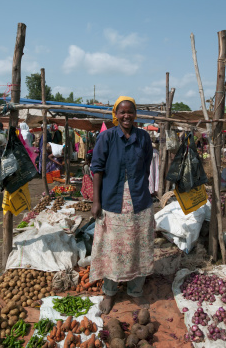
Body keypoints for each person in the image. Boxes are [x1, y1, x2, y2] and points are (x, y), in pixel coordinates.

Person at [89, 96, 154, 314]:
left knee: (138, 248)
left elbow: (145, 168)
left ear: (135, 115)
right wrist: (96, 201)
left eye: (130, 112)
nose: (126, 116)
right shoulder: (106, 137)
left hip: (139, 202)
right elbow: (97, 169)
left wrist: (138, 188)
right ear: (116, 115)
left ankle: (135, 291)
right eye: (122, 112)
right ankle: (109, 292)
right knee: (111, 250)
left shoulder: (143, 137)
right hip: (112, 202)